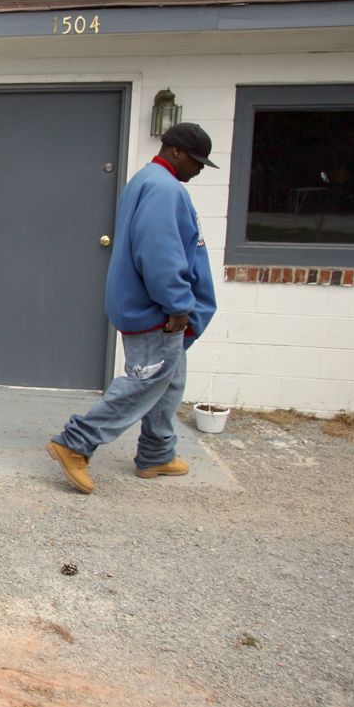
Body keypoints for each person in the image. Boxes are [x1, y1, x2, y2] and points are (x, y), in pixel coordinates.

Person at [46, 122, 218, 495]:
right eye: (197, 160)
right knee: (145, 382)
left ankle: (156, 453)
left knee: (169, 381)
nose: (200, 168)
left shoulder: (147, 180)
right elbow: (158, 253)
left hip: (151, 304)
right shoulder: (163, 188)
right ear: (175, 151)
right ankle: (74, 442)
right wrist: (177, 305)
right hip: (157, 309)